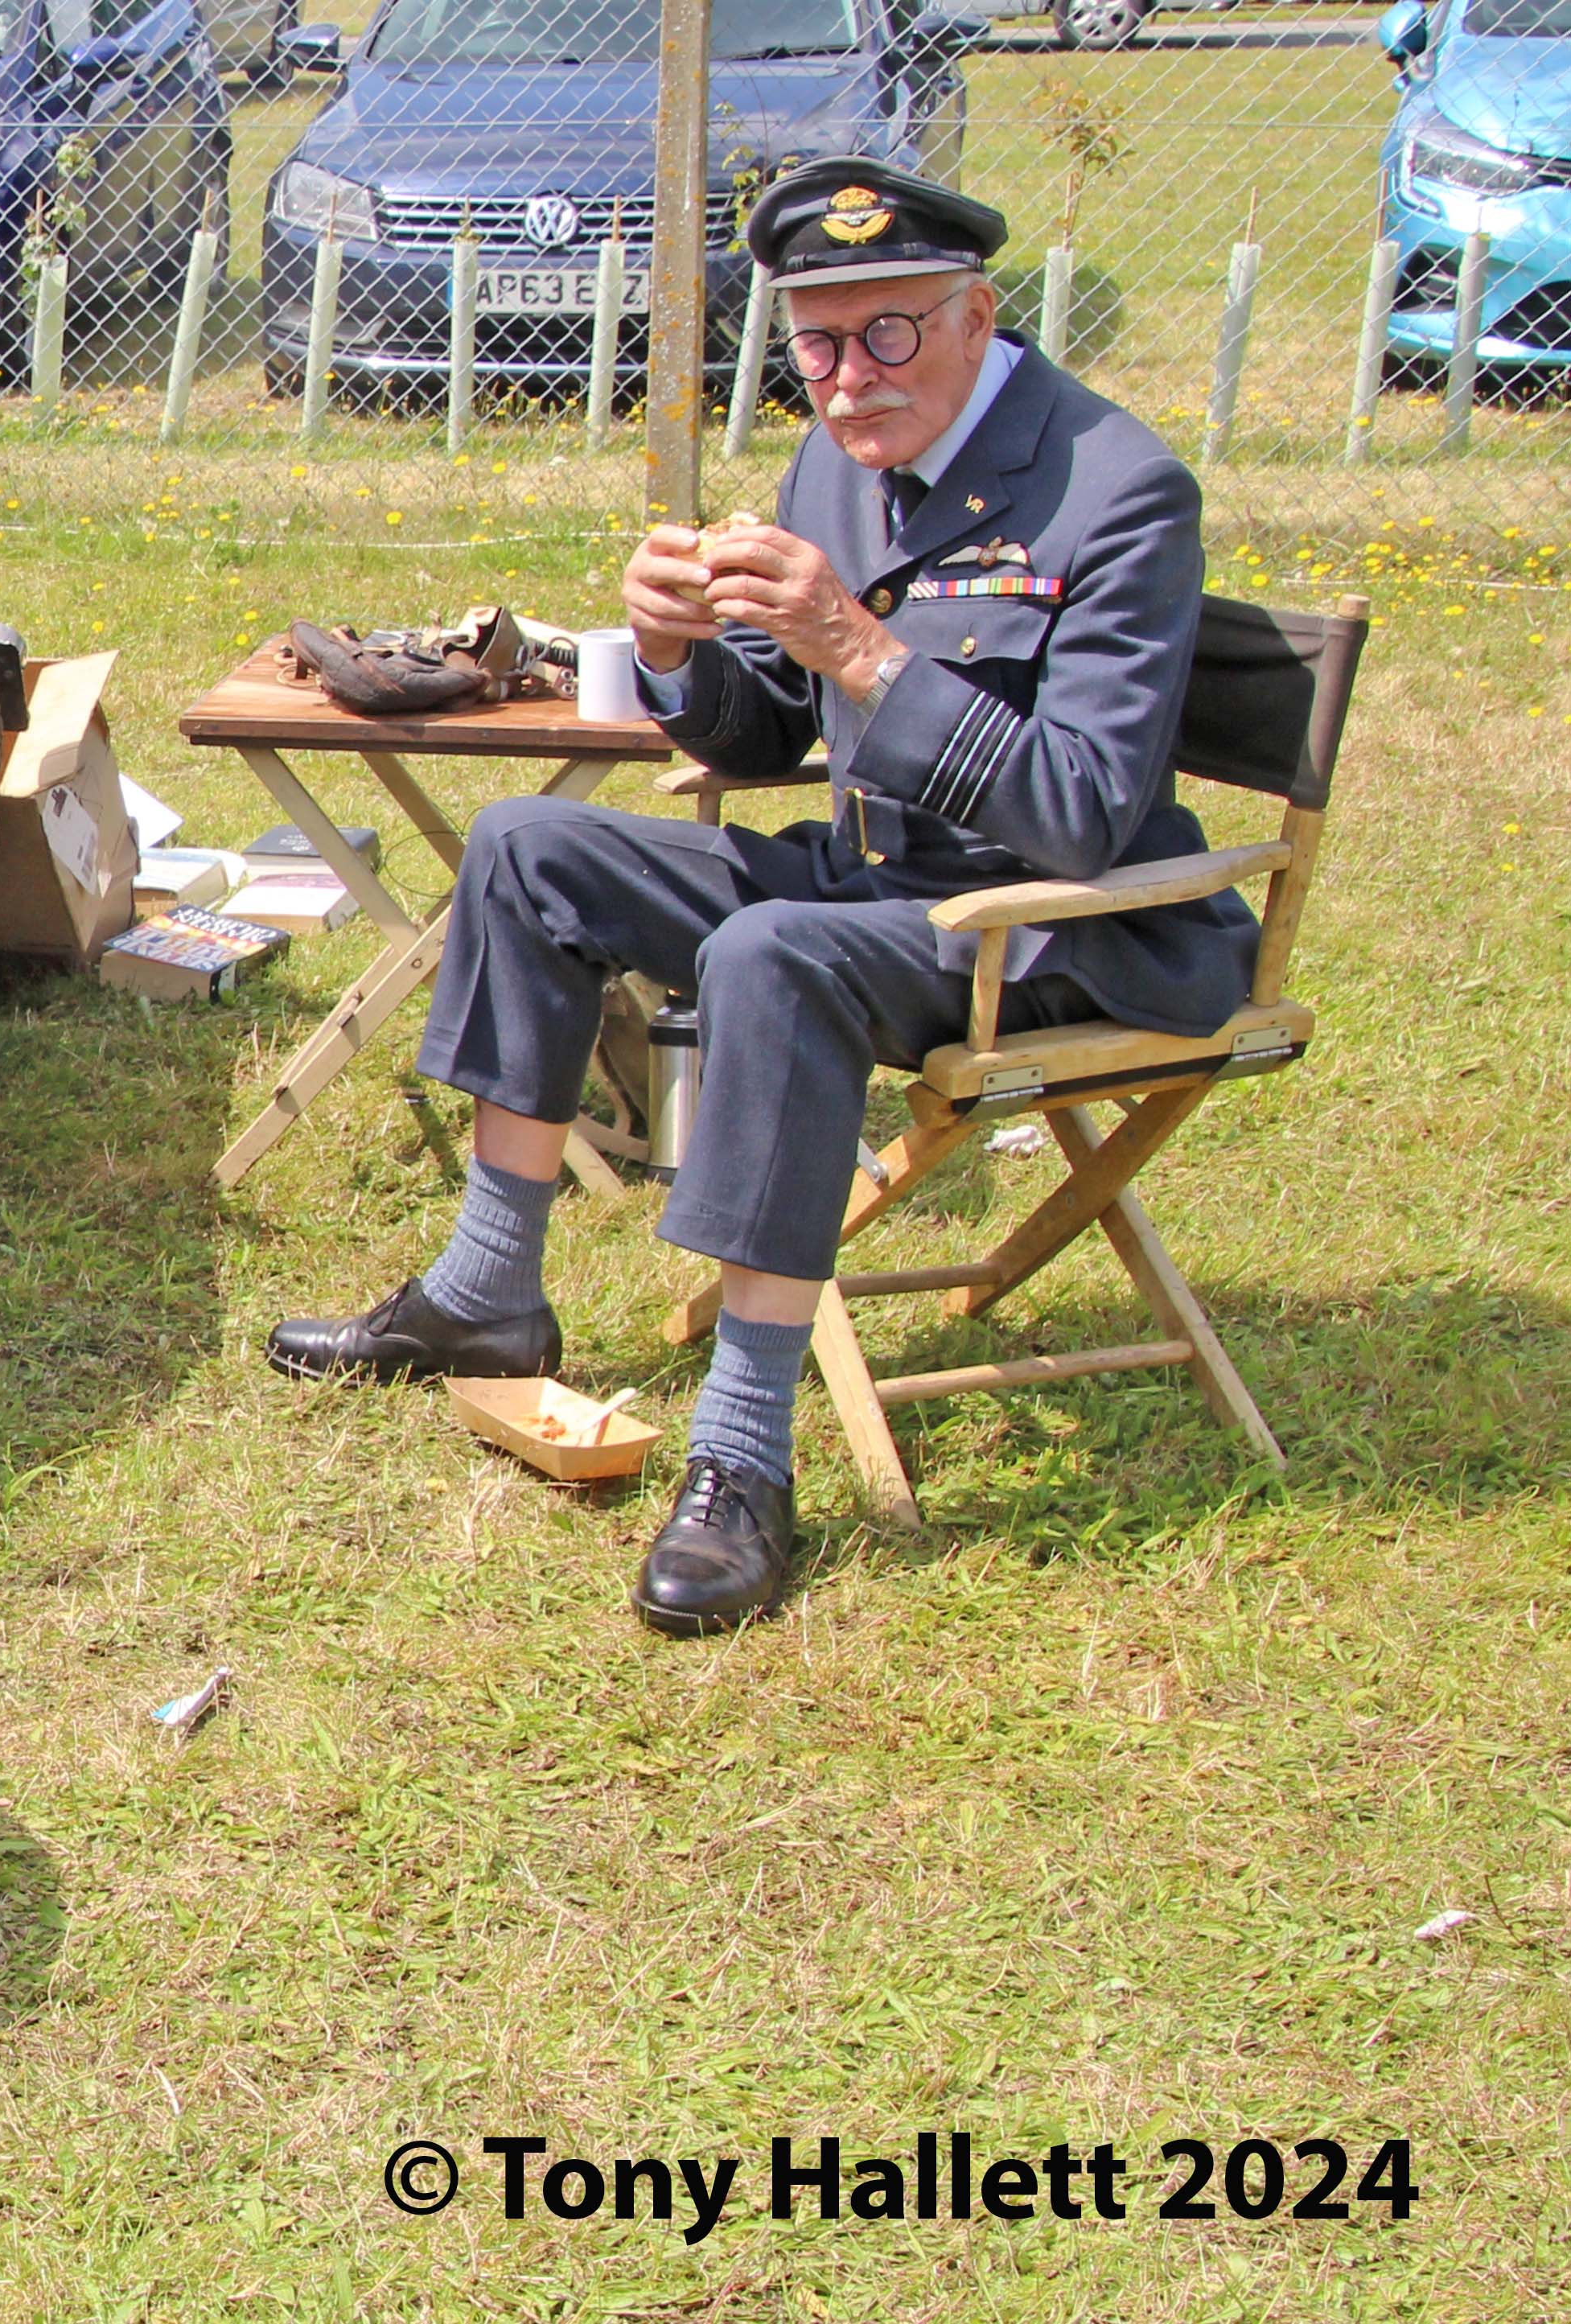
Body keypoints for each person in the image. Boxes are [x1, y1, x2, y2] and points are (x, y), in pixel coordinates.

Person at [267, 158, 1253, 1638]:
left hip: (1053, 924)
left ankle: (743, 1454)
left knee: (773, 953)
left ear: (977, 316)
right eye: (815, 344)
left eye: (887, 334)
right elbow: (764, 732)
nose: (848, 382)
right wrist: (678, 657)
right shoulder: (837, 461)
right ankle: (487, 1289)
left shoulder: (1118, 488)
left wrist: (861, 651)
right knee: (528, 847)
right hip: (874, 879)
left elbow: (1085, 813)